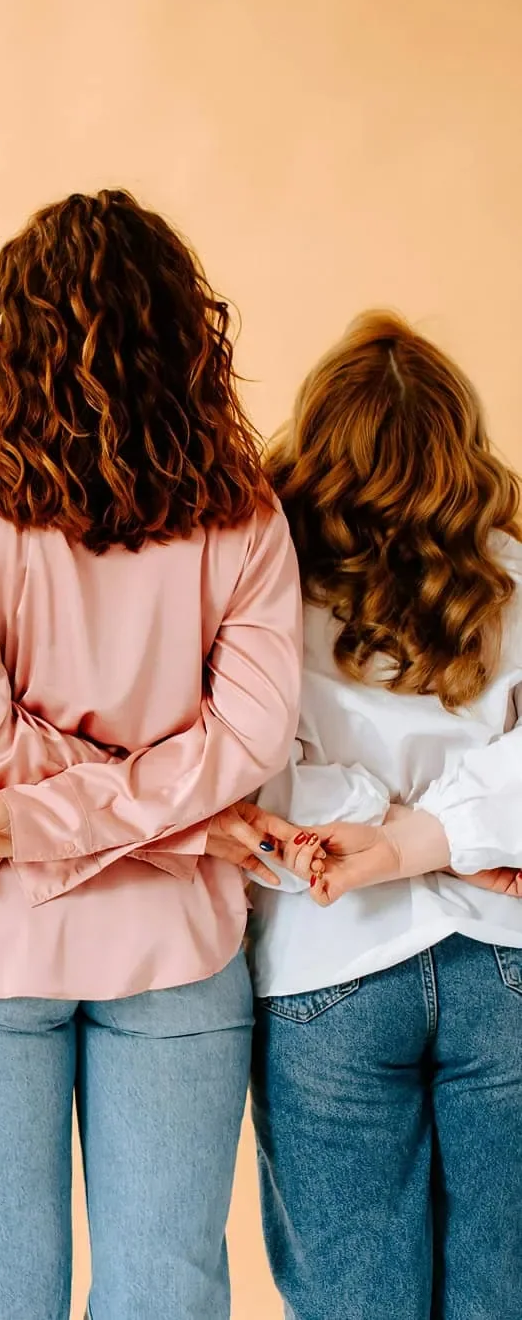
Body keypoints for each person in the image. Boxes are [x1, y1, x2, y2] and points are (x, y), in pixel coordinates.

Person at [0, 190, 307, 1320]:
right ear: (190, 334)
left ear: (9, 336)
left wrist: (39, 822)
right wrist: (180, 818)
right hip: (177, 942)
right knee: (167, 1294)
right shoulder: (247, 512)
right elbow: (243, 744)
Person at [245, 312, 522, 1319]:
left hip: (329, 966)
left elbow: (255, 783)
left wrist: (378, 830)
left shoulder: (262, 583)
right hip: (507, 961)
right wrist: (445, 835)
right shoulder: (511, 578)